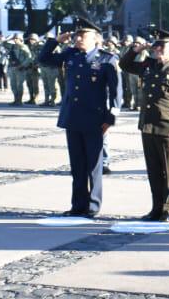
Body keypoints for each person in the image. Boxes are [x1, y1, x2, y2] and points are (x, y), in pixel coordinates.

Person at [38, 20, 121, 217]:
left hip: (95, 119)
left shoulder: (107, 59)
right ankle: (78, 205)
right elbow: (44, 59)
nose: (78, 38)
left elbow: (116, 92)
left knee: (93, 165)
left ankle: (93, 205)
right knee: (77, 165)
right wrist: (54, 41)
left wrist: (110, 118)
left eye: (83, 36)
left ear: (95, 39)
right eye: (77, 35)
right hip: (73, 117)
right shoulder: (71, 54)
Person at [120, 29, 169, 221]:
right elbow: (124, 64)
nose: (158, 49)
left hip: (168, 126)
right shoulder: (148, 65)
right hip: (148, 124)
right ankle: (156, 207)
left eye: (162, 46)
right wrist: (136, 50)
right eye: (156, 45)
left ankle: (168, 209)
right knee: (153, 169)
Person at [6, 34, 33, 105]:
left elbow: (29, 58)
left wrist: (22, 65)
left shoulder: (24, 47)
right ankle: (15, 99)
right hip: (13, 68)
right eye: (14, 38)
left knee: (19, 85)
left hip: (20, 69)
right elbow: (3, 43)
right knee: (13, 85)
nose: (15, 40)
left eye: (16, 38)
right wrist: (9, 38)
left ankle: (19, 100)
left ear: (21, 39)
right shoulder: (12, 46)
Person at [24, 34, 43, 104]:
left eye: (33, 39)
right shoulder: (27, 47)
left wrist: (38, 65)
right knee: (29, 84)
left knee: (35, 84)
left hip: (35, 68)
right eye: (30, 39)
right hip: (28, 68)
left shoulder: (40, 47)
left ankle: (36, 98)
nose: (31, 41)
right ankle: (31, 98)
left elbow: (41, 57)